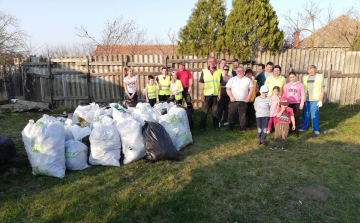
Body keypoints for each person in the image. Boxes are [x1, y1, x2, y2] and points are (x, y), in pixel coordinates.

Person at [299, 65, 325, 135]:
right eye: (309, 70)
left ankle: (315, 129)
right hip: (306, 99)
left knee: (314, 114)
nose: (311, 71)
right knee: (305, 114)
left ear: (315, 70)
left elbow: (323, 89)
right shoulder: (304, 78)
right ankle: (303, 127)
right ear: (308, 71)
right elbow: (301, 89)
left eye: (312, 69)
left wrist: (320, 100)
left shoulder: (320, 77)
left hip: (315, 99)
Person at [226, 67, 253, 131]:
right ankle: (230, 127)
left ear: (244, 72)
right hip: (233, 100)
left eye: (241, 71)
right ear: (236, 72)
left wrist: (248, 98)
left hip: (243, 101)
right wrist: (231, 97)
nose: (240, 72)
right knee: (231, 114)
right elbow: (228, 89)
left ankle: (242, 128)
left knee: (242, 115)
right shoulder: (232, 79)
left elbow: (251, 89)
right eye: (238, 71)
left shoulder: (248, 80)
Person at [199, 57, 223, 132]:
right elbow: (202, 83)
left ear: (215, 62)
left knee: (215, 112)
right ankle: (202, 127)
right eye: (210, 61)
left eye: (213, 61)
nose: (212, 63)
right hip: (207, 95)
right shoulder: (204, 71)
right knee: (204, 111)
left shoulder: (219, 71)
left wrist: (219, 93)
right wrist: (202, 94)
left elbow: (220, 83)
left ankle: (216, 127)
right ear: (208, 62)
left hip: (215, 95)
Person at [282, 71, 305, 137]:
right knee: (288, 117)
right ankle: (288, 129)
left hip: (296, 103)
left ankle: (296, 131)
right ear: (289, 78)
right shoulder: (287, 85)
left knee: (296, 117)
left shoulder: (300, 84)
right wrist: (283, 104)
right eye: (291, 77)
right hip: (288, 103)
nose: (292, 78)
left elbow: (303, 95)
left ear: (295, 76)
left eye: (293, 77)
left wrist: (301, 104)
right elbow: (284, 94)